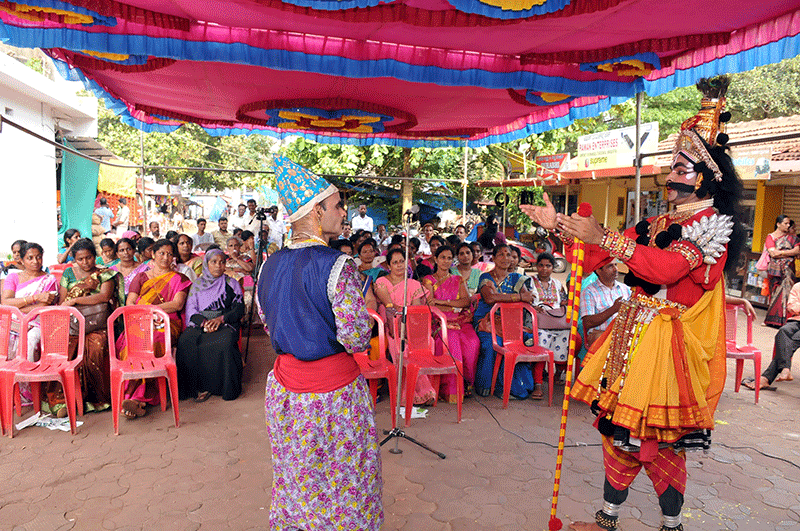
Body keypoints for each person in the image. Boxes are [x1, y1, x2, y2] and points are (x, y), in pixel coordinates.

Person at [522, 76, 743, 531]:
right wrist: (559, 226)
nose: (671, 172)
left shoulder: (713, 227)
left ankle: (671, 525)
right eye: (673, 163)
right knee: (615, 432)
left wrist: (600, 235)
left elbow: (665, 271)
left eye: (682, 166)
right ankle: (609, 517)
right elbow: (597, 256)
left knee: (659, 442)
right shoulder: (656, 221)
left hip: (669, 351)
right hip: (631, 338)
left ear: (705, 176)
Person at [257, 155, 382, 530]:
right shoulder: (338, 265)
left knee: (298, 480)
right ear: (314, 212)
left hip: (285, 392)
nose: (343, 212)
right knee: (346, 484)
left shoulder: (268, 265)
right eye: (337, 204)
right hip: (335, 396)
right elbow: (356, 335)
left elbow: (268, 323)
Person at [120, 239, 192, 419]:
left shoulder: (180, 278)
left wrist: (152, 313)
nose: (166, 258)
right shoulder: (141, 277)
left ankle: (137, 398)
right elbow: (130, 302)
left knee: (155, 341)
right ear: (153, 254)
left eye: (169, 254)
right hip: (140, 320)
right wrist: (143, 316)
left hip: (166, 322)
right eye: (161, 253)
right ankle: (133, 399)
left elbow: (177, 304)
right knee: (131, 343)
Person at [55, 239, 125, 414]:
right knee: (63, 349)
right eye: (81, 259)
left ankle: (96, 400)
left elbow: (103, 296)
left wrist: (77, 299)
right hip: (73, 325)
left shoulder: (105, 274)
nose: (85, 262)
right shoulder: (68, 274)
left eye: (89, 258)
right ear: (75, 259)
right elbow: (63, 301)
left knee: (95, 347)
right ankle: (64, 400)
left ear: (95, 257)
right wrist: (71, 301)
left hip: (98, 324)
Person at [177, 249, 244, 402]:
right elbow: (191, 308)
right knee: (185, 342)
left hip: (225, 321)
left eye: (222, 262)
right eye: (214, 262)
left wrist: (221, 319)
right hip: (200, 322)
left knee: (224, 343)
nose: (218, 266)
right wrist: (204, 324)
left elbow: (238, 308)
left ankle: (219, 387)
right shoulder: (197, 285)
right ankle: (194, 388)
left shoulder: (231, 283)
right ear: (206, 264)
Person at [472, 243, 537, 399]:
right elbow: (489, 298)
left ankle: (516, 386)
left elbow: (528, 298)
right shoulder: (485, 277)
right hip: (486, 322)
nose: (505, 258)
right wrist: (518, 297)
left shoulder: (518, 278)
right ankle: (486, 384)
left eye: (508, 255)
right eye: (500, 254)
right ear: (493, 258)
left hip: (510, 323)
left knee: (526, 341)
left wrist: (517, 298)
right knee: (491, 344)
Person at [374, 247, 437, 405]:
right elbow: (389, 306)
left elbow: (416, 310)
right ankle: (406, 393)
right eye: (395, 262)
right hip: (391, 325)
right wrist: (400, 315)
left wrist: (411, 329)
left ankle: (420, 392)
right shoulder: (382, 282)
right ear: (388, 266)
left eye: (402, 261)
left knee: (427, 342)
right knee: (400, 346)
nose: (399, 265)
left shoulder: (414, 284)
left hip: (410, 324)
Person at [422, 245, 480, 401]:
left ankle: (466, 384)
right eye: (443, 257)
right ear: (436, 259)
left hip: (460, 321)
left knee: (472, 343)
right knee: (452, 342)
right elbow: (430, 305)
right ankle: (449, 390)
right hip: (439, 321)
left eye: (449, 258)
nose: (446, 261)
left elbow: (466, 301)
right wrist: (454, 305)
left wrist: (444, 302)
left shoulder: (458, 279)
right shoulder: (429, 280)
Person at [1, 242, 58, 362]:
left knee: (30, 338)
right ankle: (6, 376)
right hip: (13, 320)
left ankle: (27, 376)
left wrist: (16, 308)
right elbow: (5, 302)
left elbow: (42, 308)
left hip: (38, 322)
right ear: (22, 260)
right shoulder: (13, 278)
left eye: (38, 257)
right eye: (30, 258)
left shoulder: (49, 280)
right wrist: (35, 298)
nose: (35, 261)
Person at [743, 280, 800, 391]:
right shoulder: (798, 287)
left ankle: (768, 377)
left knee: (789, 343)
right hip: (796, 321)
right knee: (783, 332)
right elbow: (792, 307)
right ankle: (784, 369)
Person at [530, 253, 570, 370]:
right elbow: (526, 300)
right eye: (541, 265)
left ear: (553, 267)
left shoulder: (557, 283)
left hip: (557, 321)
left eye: (548, 266)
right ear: (537, 266)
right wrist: (533, 307)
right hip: (538, 322)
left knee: (566, 335)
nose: (544, 269)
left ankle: (558, 374)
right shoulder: (530, 281)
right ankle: (538, 377)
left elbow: (563, 301)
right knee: (541, 338)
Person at [580, 260, 631, 349]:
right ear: (599, 271)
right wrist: (613, 309)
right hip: (602, 334)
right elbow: (587, 322)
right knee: (601, 337)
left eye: (616, 265)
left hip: (624, 334)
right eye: (610, 266)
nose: (616, 269)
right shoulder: (589, 291)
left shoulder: (626, 289)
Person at [763, 215, 800, 328]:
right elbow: (772, 253)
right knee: (774, 293)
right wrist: (789, 252)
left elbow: (797, 251)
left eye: (789, 223)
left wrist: (780, 252)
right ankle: (772, 320)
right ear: (778, 224)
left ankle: (785, 321)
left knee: (787, 293)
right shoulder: (771, 237)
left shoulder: (793, 239)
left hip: (789, 270)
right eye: (785, 223)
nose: (788, 225)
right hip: (775, 271)